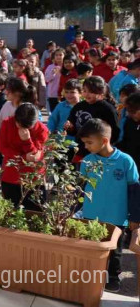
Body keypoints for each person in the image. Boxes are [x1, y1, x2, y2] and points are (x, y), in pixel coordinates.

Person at [76, 119, 140, 292]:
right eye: (84, 143)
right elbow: (80, 189)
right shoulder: (87, 161)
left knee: (115, 251)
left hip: (117, 217)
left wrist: (135, 217)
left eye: (89, 142)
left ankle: (113, 276)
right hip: (90, 214)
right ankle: (90, 274)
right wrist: (74, 211)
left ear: (104, 140)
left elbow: (135, 190)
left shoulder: (126, 161)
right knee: (91, 247)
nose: (86, 146)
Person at [0, 103, 49, 211]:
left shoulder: (42, 130)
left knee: (35, 213)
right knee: (11, 211)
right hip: (11, 175)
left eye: (26, 127)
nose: (21, 128)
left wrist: (27, 140)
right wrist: (23, 156)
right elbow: (3, 148)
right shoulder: (7, 123)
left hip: (33, 178)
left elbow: (36, 156)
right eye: (18, 124)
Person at [65, 76, 120, 164]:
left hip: (100, 153)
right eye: (85, 91)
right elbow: (74, 130)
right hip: (81, 150)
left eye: (91, 92)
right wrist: (69, 127)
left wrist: (104, 147)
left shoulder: (107, 109)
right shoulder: (79, 106)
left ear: (101, 92)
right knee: (80, 175)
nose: (86, 94)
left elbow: (115, 132)